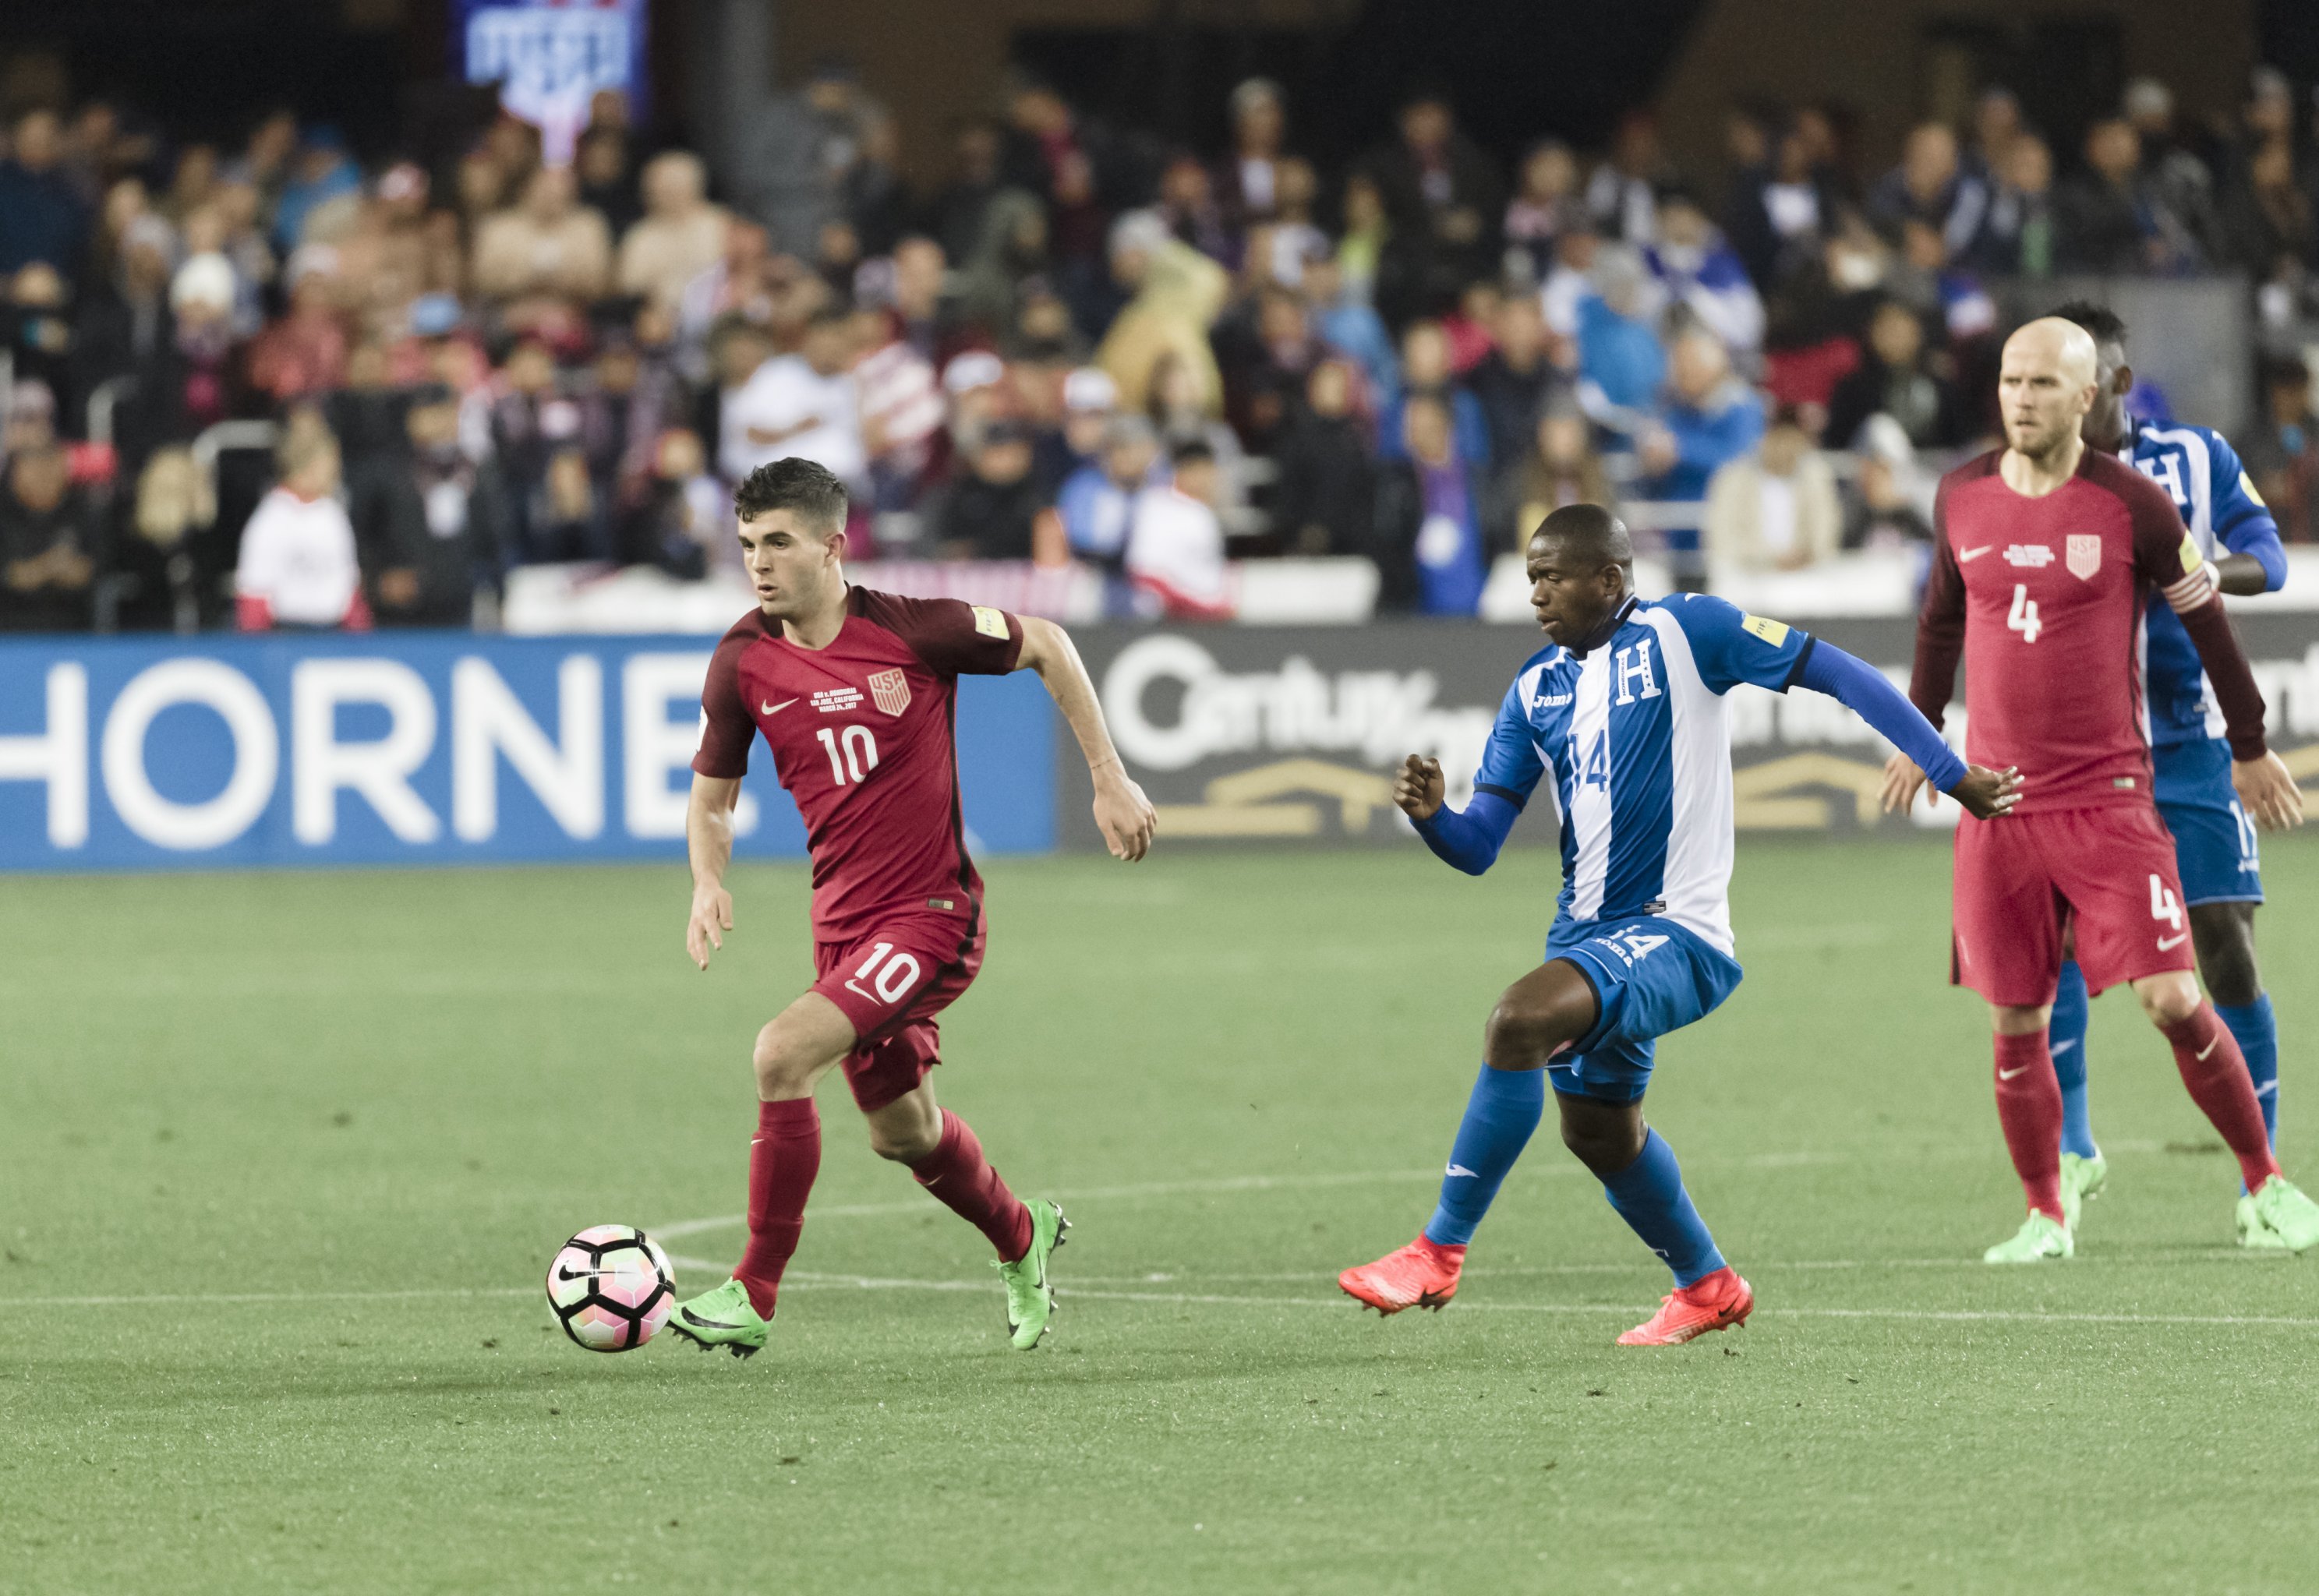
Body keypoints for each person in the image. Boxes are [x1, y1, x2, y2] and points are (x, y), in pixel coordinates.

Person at [1338, 504, 2017, 1341]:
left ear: (1609, 579)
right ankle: (1706, 1284)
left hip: (1675, 933)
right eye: (1530, 579)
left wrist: (1949, 774)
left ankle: (1436, 1251)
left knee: (1516, 1019)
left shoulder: (1686, 631)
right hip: (1584, 939)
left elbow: (1839, 674)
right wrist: (1435, 816)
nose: (1536, 595)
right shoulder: (1533, 688)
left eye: (1552, 577)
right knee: (1597, 1131)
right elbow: (1478, 845)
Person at [666, 457, 1156, 1358]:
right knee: (905, 1131)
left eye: (777, 542)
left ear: (831, 545)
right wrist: (706, 877)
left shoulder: (912, 631)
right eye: (745, 545)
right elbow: (710, 796)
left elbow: (1046, 640)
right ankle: (1021, 1232)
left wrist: (1107, 774)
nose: (758, 563)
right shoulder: (743, 657)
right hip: (844, 930)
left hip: (932, 913)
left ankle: (754, 1288)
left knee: (780, 1053)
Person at [1882, 317, 2317, 1262]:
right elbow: (1935, 625)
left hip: (2110, 797)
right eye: (2008, 381)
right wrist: (1920, 737)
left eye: (2041, 383)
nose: (2020, 399)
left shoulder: (2133, 503)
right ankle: (2046, 1212)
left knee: (2171, 994)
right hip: (1995, 804)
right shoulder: (1957, 495)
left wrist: (2247, 745)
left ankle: (2265, 1181)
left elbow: (2210, 630)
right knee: (2015, 1017)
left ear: (2089, 396)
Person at [2032, 302, 2292, 1244]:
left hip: (2183, 742)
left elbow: (2268, 558)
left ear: (2112, 384)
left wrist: (2196, 573)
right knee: (2050, 942)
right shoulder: (2021, 480)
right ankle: (2073, 1149)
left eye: (2082, 378)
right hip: (2075, 750)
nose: (2066, 394)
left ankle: (2258, 1181)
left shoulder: (2192, 457)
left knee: (2222, 946)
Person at [234, 423, 365, 630]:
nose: (337, 470)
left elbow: (349, 590)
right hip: (285, 634)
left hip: (332, 634)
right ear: (311, 464)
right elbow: (254, 596)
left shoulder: (332, 515)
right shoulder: (270, 520)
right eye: (331, 461)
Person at [1702, 407, 1841, 572]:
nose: (1785, 448)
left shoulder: (1816, 476)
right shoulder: (1732, 478)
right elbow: (1721, 537)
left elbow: (1826, 529)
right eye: (1780, 439)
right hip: (1748, 573)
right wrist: (1769, 557)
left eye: (1792, 440)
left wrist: (1805, 554)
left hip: (1804, 573)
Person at [1126, 440, 1232, 618]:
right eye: (1199, 471)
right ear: (1182, 470)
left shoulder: (1203, 513)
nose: (1207, 480)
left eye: (1210, 472)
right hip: (1170, 617)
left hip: (1203, 614)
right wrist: (1203, 607)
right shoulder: (1157, 506)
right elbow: (1146, 574)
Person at [0, 442, 96, 631]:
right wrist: (49, 566)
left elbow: (96, 569)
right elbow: (11, 575)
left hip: (78, 629)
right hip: (10, 630)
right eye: (35, 468)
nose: (44, 477)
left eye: (51, 467)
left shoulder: (84, 512)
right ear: (16, 473)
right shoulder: (4, 514)